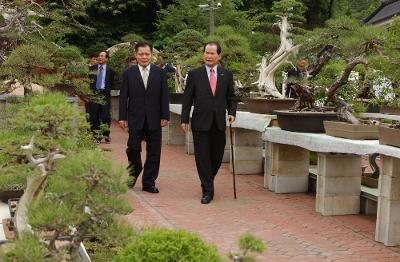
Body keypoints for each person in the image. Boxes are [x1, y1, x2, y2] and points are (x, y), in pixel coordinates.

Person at [181, 41, 237, 204]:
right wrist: (184, 118)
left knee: (217, 157)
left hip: (219, 122)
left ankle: (207, 180)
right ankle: (207, 190)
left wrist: (232, 112)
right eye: (206, 52)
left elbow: (231, 97)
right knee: (202, 157)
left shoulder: (226, 74)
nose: (208, 56)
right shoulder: (194, 74)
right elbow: (187, 98)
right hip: (200, 121)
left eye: (212, 53)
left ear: (219, 56)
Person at [119, 42, 170, 193]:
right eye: (141, 54)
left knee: (154, 152)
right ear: (136, 55)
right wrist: (122, 117)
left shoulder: (160, 73)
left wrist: (165, 115)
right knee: (132, 148)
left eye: (147, 54)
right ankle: (135, 170)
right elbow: (123, 96)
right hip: (135, 117)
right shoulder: (129, 73)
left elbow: (164, 96)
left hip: (155, 118)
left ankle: (149, 182)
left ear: (151, 55)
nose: (144, 57)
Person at [86, 51, 115, 143]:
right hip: (94, 95)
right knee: (93, 116)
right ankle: (96, 136)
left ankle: (106, 134)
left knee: (105, 116)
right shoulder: (91, 69)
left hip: (105, 95)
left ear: (106, 59)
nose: (99, 57)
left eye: (102, 56)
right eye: (99, 56)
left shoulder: (111, 71)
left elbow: (112, 83)